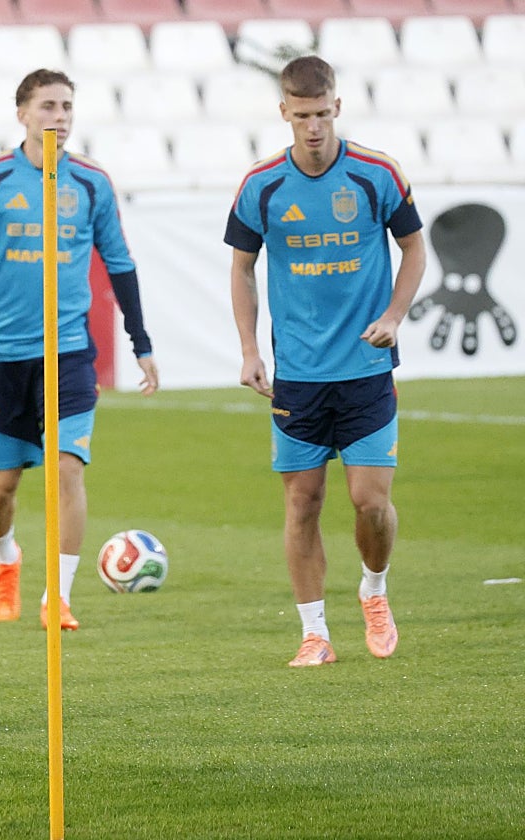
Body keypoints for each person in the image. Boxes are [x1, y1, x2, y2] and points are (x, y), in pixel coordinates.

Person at [225, 56, 426, 667]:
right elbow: (241, 267)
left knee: (370, 503)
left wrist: (393, 316)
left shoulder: (376, 173)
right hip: (298, 376)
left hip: (365, 368)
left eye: (321, 113)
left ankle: (374, 589)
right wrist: (250, 349)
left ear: (336, 107)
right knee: (302, 503)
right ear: (284, 111)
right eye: (301, 115)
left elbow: (415, 249)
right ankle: (315, 634)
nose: (313, 127)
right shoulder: (262, 185)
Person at [0, 69, 159, 632]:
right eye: (48, 106)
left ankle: (56, 598)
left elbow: (121, 265)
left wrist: (141, 344)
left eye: (66, 107)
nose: (59, 117)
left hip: (69, 354)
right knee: (0, 488)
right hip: (3, 357)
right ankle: (5, 558)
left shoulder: (91, 183)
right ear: (22, 113)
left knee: (66, 469)